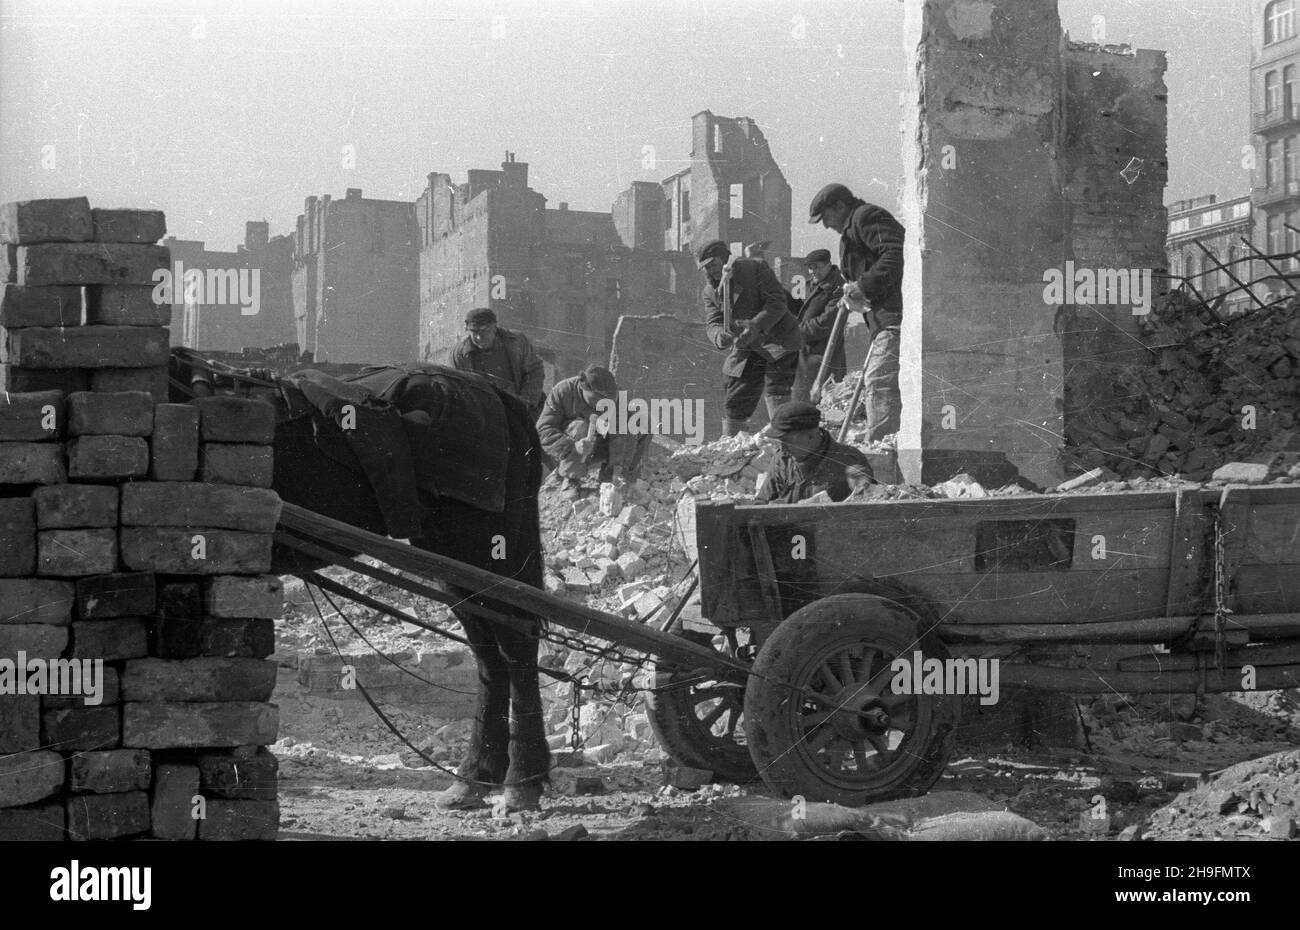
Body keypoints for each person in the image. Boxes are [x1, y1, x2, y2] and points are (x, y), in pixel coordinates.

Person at [809, 183, 905, 441]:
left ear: (840, 206)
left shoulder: (866, 217)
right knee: (878, 381)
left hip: (892, 317)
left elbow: (896, 253)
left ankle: (883, 447)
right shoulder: (852, 231)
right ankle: (882, 441)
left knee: (878, 380)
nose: (826, 225)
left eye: (826, 217)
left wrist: (863, 286)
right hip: (880, 321)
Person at [698, 239, 802, 436]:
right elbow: (713, 322)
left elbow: (777, 303)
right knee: (736, 391)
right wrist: (721, 336)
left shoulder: (755, 268)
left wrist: (755, 325)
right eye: (706, 268)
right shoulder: (710, 291)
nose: (711, 271)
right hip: (746, 344)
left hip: (776, 338)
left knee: (776, 387)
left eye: (713, 264)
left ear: (726, 259)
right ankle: (731, 444)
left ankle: (785, 440)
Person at [758, 401, 874, 504]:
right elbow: (761, 503)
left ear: (811, 437)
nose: (783, 449)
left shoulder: (850, 460)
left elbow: (872, 509)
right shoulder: (782, 459)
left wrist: (860, 492)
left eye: (787, 441)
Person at [536, 364, 624, 485]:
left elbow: (624, 435)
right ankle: (570, 480)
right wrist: (572, 447)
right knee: (580, 426)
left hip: (600, 446)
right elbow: (543, 430)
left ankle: (609, 481)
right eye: (597, 401)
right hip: (568, 450)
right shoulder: (563, 391)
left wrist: (618, 468)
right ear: (583, 387)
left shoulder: (618, 397)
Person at [451, 307, 546, 418]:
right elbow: (458, 388)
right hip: (487, 415)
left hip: (524, 409)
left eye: (483, 331)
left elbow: (534, 371)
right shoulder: (459, 354)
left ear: (494, 328)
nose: (478, 337)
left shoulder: (517, 341)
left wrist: (525, 403)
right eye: (474, 332)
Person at [791, 248, 848, 402]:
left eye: (817, 267)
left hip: (824, 357)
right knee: (801, 403)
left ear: (829, 264)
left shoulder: (840, 288)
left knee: (822, 406)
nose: (813, 271)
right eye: (810, 268)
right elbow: (793, 307)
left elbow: (826, 323)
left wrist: (795, 330)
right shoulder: (807, 285)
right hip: (804, 354)